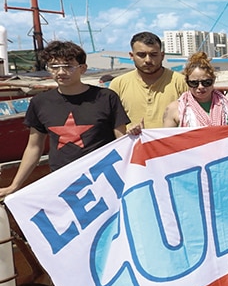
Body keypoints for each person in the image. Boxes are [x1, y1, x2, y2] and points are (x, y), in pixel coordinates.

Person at [0, 41, 129, 198]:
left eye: (68, 66)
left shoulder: (106, 97)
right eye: (54, 67)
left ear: (83, 68)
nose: (60, 72)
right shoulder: (39, 102)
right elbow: (34, 147)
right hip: (62, 183)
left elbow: (122, 141)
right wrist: (14, 185)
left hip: (105, 179)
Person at [109, 32, 187, 132]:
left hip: (172, 145)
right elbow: (113, 122)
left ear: (162, 55)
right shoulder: (118, 84)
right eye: (141, 55)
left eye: (153, 54)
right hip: (134, 146)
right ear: (132, 56)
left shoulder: (180, 82)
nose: (148, 60)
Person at [163, 52, 228, 127]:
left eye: (206, 82)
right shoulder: (174, 109)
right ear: (187, 82)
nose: (200, 87)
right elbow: (167, 139)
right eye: (194, 83)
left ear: (213, 81)